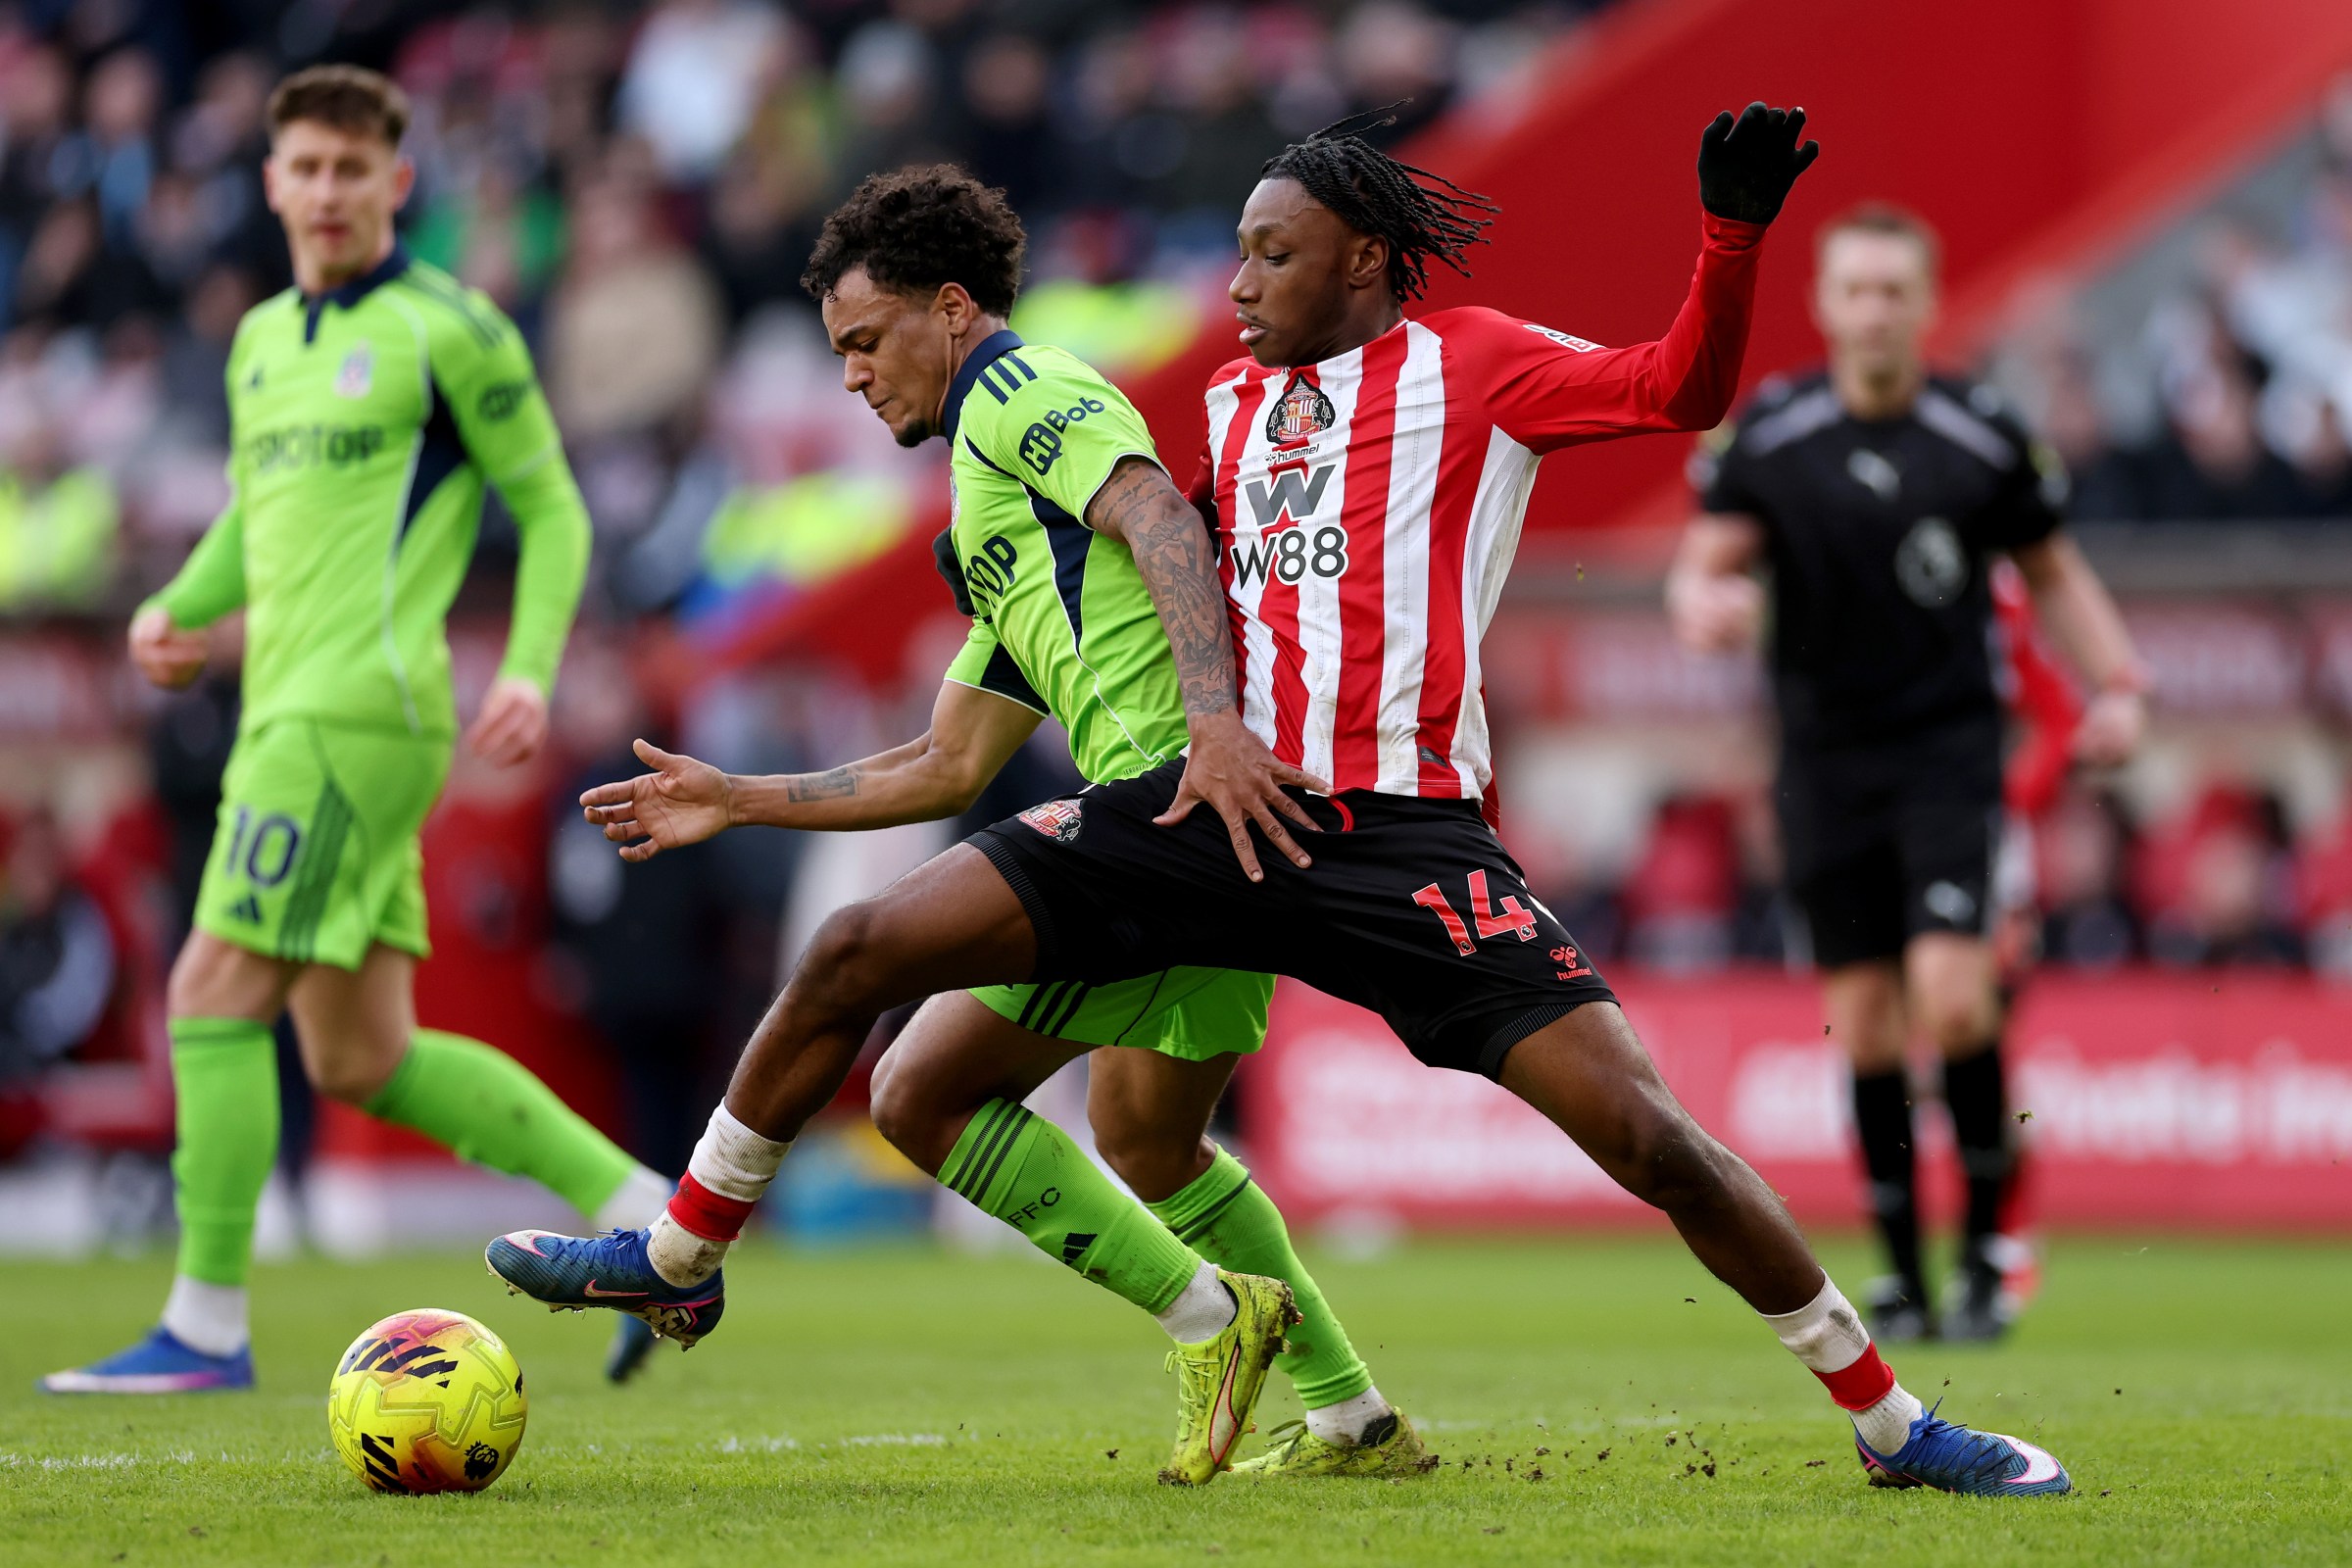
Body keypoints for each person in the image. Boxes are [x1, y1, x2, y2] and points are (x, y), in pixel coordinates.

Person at [496, 107, 2076, 1497]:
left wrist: (1729, 240)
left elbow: (1682, 389)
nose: (1238, 284)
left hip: (1397, 833)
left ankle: (1894, 1422)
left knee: (1648, 1139)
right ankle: (689, 1259)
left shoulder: (1473, 365)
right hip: (1203, 814)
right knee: (878, 987)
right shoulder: (1237, 419)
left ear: (1370, 260)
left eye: (1271, 253)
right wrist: (786, 778)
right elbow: (1099, 617)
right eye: (1238, 253)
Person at [559, 166, 1424, 1480]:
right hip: (1195, 830)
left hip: (1175, 809)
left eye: (865, 341)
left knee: (870, 989)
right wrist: (737, 800)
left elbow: (1155, 514)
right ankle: (1350, 1413)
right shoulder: (989, 503)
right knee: (1141, 1138)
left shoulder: (1025, 393)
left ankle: (679, 1251)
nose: (852, 377)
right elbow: (949, 759)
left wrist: (1209, 729)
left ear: (952, 310)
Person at [42, 66, 671, 1395]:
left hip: (352, 716)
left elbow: (553, 509)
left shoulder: (452, 330)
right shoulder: (263, 336)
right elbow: (252, 516)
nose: (326, 192)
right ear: (271, 182)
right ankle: (652, 1217)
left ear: (395, 183)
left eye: (351, 170)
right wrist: (181, 602)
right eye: (305, 169)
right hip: (288, 706)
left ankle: (205, 1327)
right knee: (361, 1056)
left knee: (208, 994)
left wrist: (532, 672)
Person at [1667, 203, 2147, 1342]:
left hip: (1947, 755)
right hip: (1825, 765)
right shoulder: (1772, 437)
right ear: (1824, 305)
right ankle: (1898, 1274)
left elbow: (2058, 571)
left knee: (1953, 996)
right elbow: (1704, 558)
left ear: (1928, 306)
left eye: (1896, 290)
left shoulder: (1979, 434)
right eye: (1857, 289)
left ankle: (1985, 1248)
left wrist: (2118, 686)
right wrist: (1703, 603)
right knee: (1870, 1028)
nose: (1876, 310)